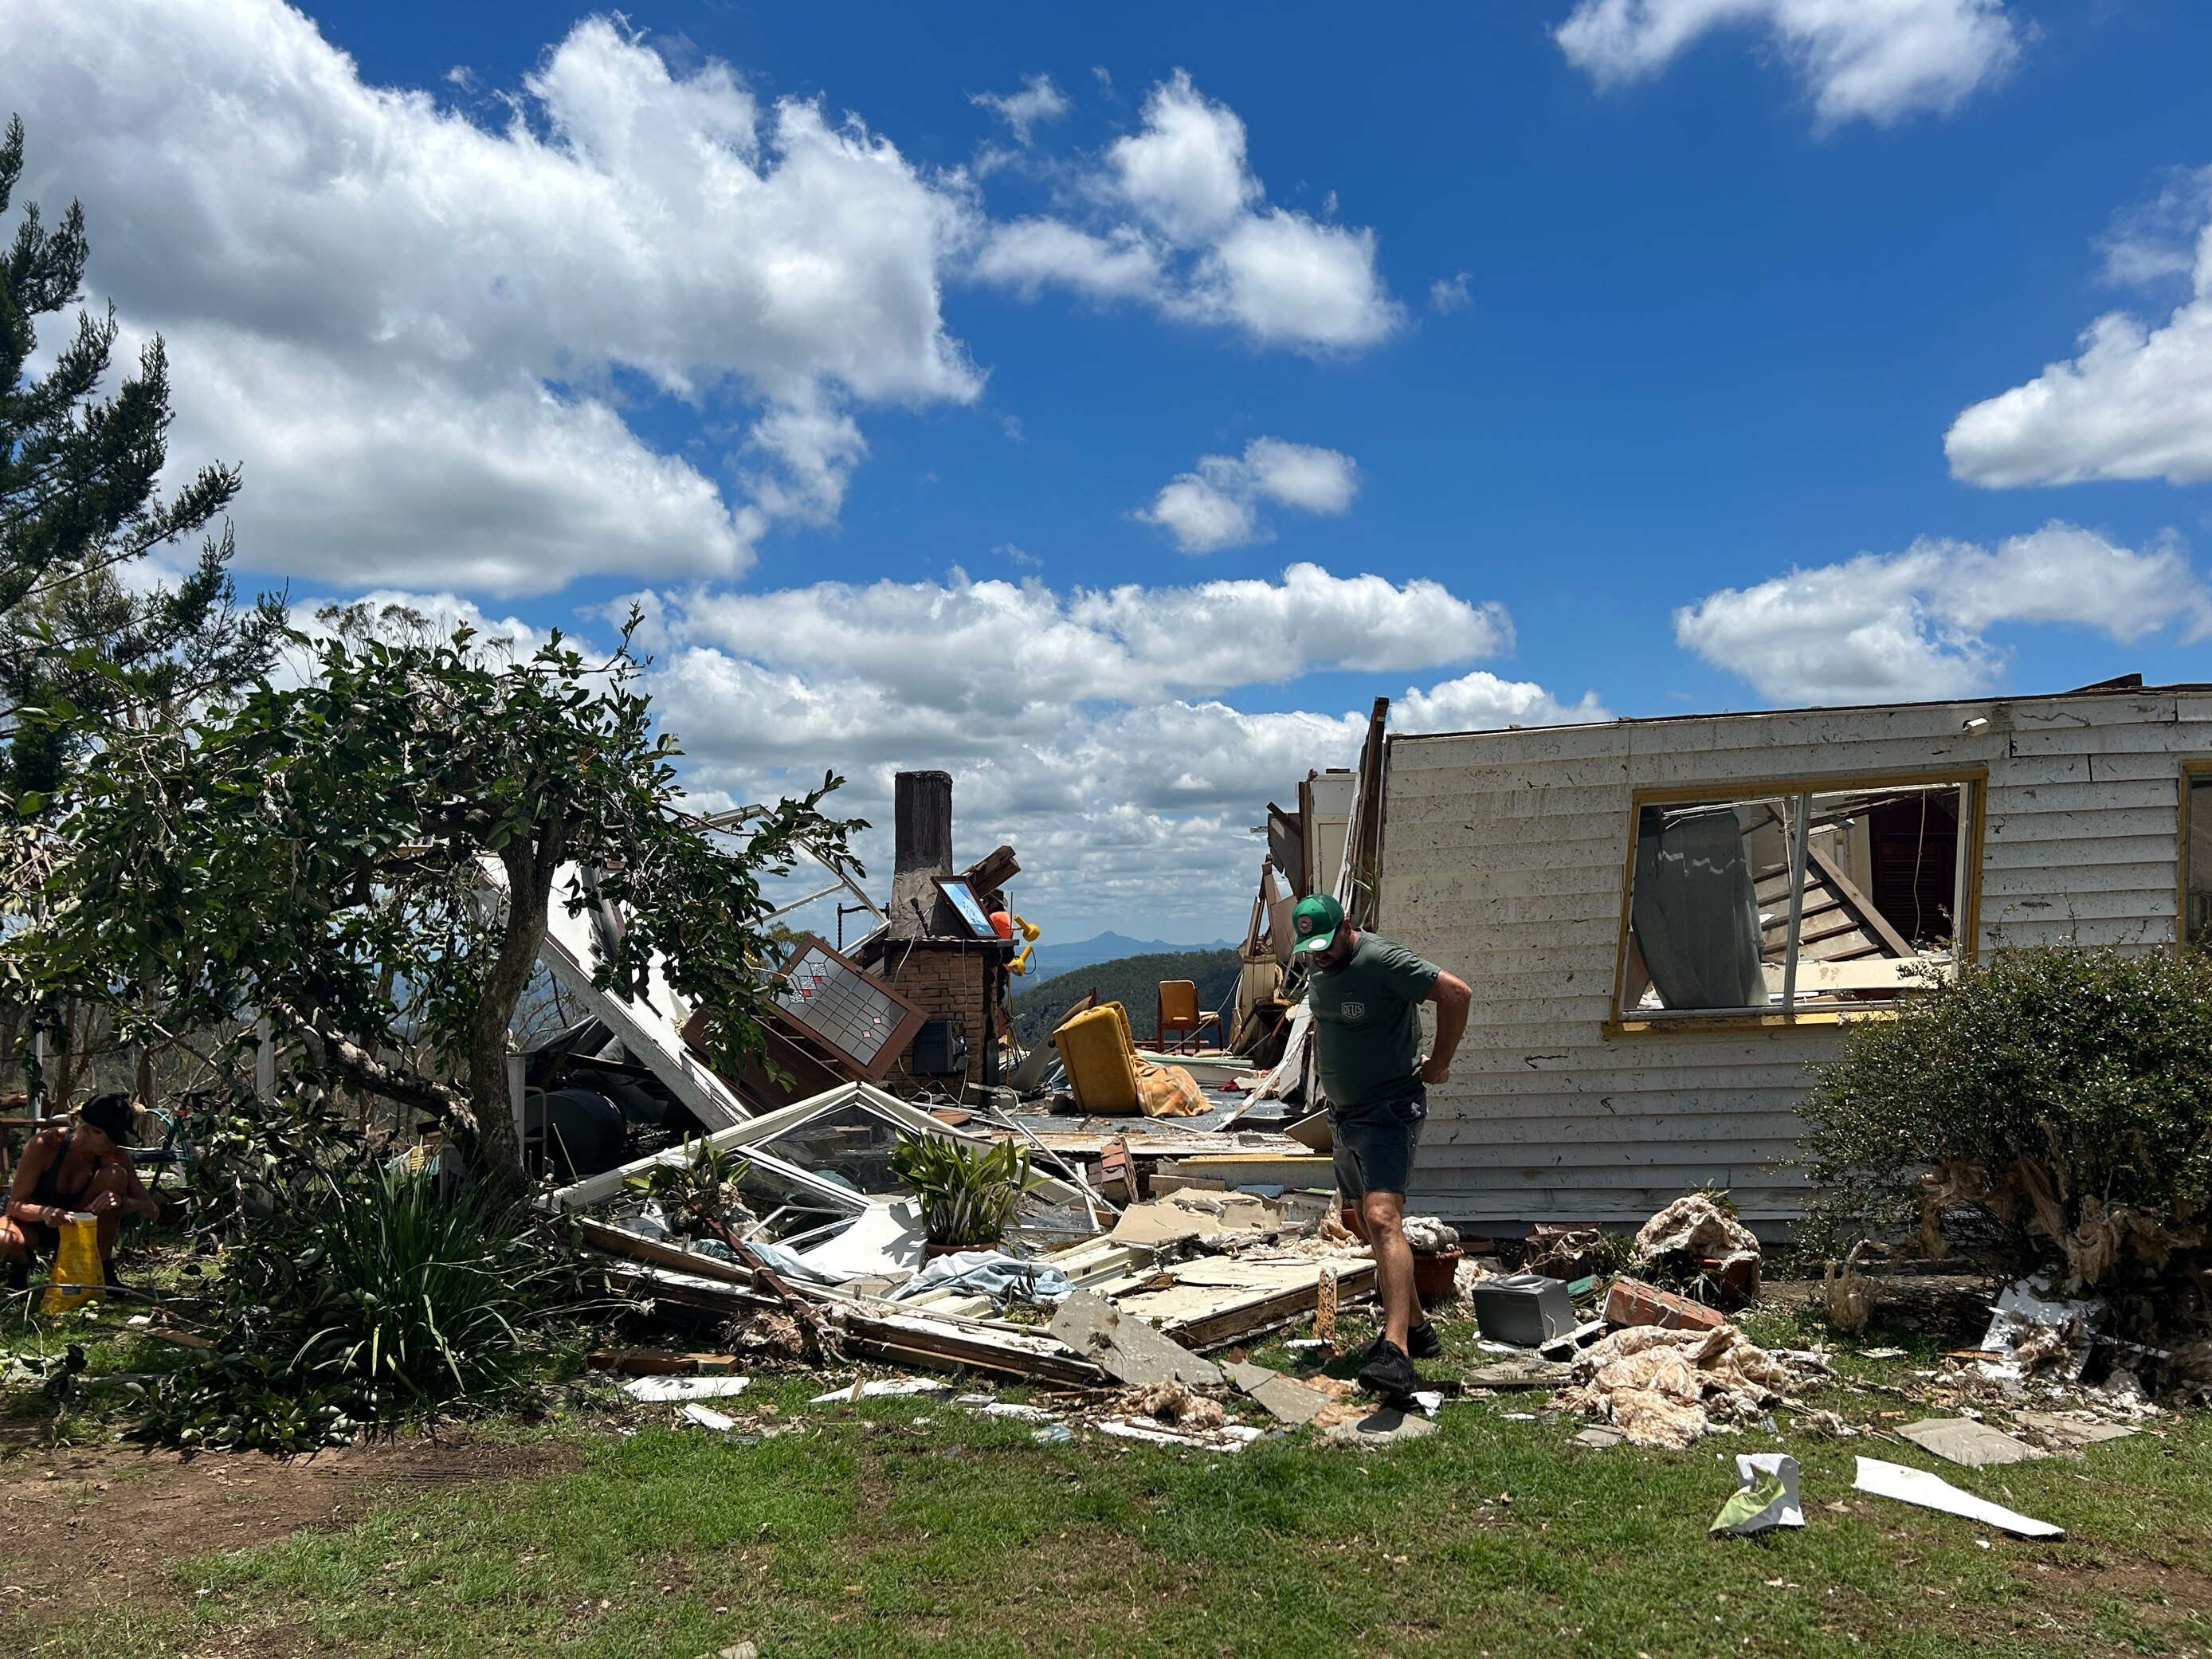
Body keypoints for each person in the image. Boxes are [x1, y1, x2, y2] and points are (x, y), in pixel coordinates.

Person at [1292, 892, 1471, 1398]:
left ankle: (1396, 1353)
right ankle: (1417, 1325)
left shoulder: (1381, 960)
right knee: (1363, 1220)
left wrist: (1440, 1062)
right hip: (1343, 1113)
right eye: (1310, 950)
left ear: (1346, 926)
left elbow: (1456, 993)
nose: (1319, 957)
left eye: (1326, 946)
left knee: (1382, 1217)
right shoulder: (1319, 966)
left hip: (1389, 1109)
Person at [2, 1092, 159, 1292]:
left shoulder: (116, 1156)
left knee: (114, 1174)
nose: (114, 1146)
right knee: (3, 1238)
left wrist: (120, 1201)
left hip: (81, 1230)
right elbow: (15, 1206)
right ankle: (20, 1266)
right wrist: (45, 1212)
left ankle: (102, 1270)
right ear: (87, 1129)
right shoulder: (45, 1144)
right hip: (33, 1225)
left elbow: (151, 1211)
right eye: (110, 1139)